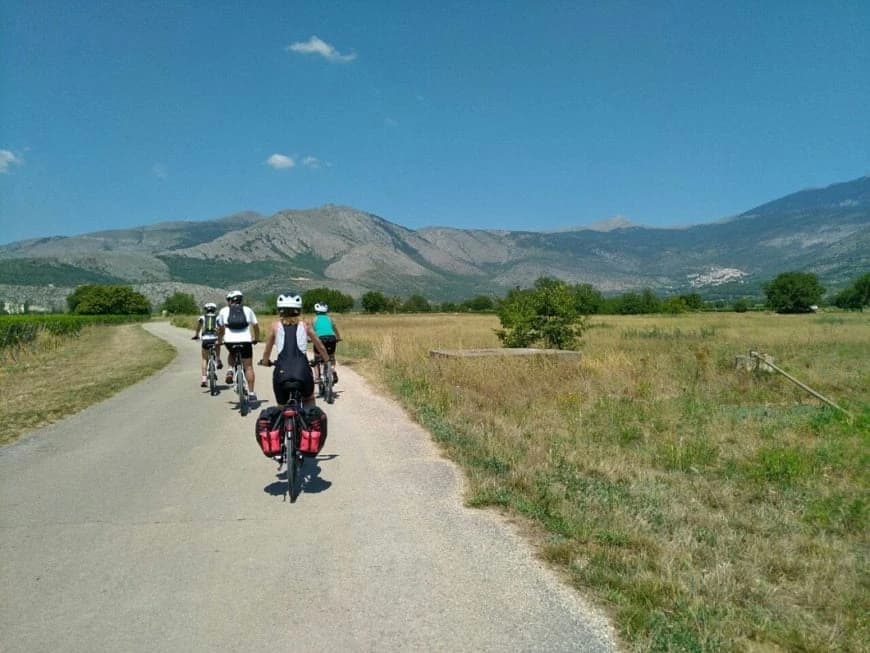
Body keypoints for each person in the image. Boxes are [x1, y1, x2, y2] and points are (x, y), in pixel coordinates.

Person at [259, 293, 329, 408]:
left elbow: (267, 350)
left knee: (281, 407)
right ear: (299, 310)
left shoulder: (275, 326)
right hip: (302, 372)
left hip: (281, 374)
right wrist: (326, 359)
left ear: (280, 310)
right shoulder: (305, 325)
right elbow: (320, 346)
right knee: (309, 400)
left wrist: (265, 361)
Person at [217, 289, 260, 403]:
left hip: (230, 341)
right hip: (246, 341)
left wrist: (220, 340)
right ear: (241, 300)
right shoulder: (248, 310)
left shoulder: (223, 311)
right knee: (249, 367)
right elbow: (255, 326)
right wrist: (256, 338)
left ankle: (230, 370)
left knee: (232, 353)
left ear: (229, 301)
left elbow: (221, 329)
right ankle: (251, 393)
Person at [311, 302, 342, 391]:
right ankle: (332, 370)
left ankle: (317, 377)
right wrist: (338, 338)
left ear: (316, 311)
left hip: (320, 339)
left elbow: (312, 331)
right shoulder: (329, 319)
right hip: (332, 338)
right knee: (331, 356)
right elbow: (335, 328)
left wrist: (310, 339)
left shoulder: (314, 319)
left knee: (316, 358)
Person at [191, 301, 223, 387]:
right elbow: (221, 329)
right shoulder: (217, 317)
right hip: (214, 339)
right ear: (214, 310)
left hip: (205, 340)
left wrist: (196, 335)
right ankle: (218, 359)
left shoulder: (202, 317)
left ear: (206, 310)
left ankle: (204, 379)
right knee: (217, 346)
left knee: (204, 359)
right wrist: (220, 338)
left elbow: (198, 328)